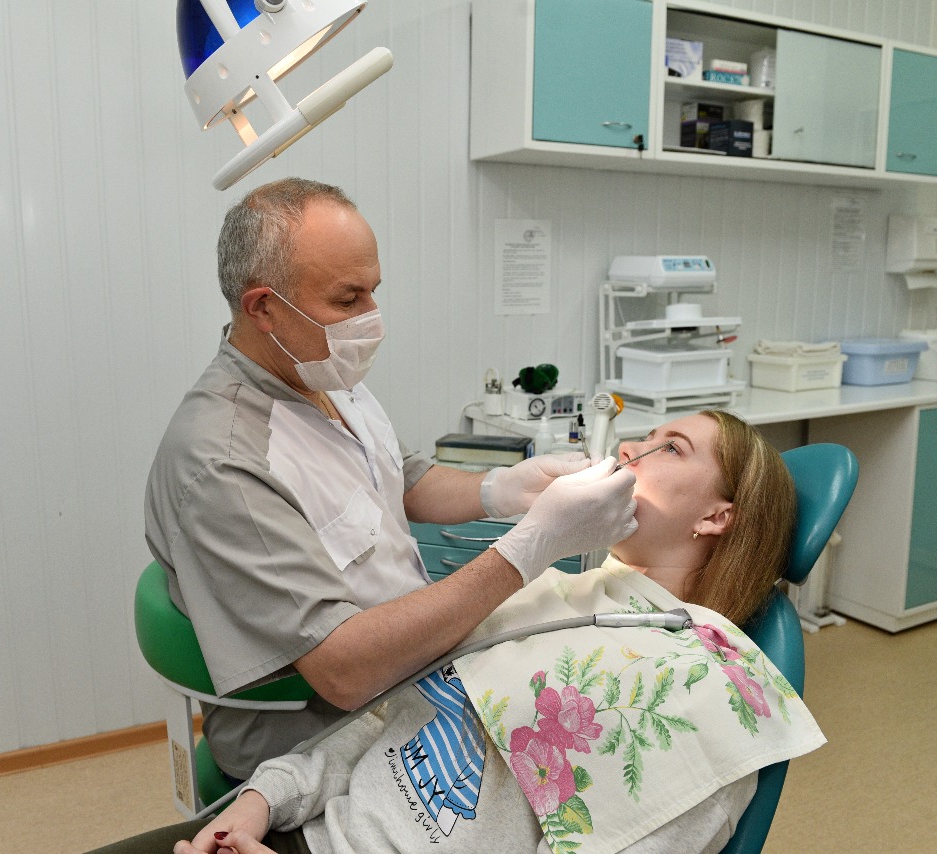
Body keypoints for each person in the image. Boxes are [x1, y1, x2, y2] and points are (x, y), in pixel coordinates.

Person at [99, 410, 811, 854]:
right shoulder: (554, 595)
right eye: (645, 435)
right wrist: (261, 801)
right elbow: (383, 721)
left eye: (671, 448)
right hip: (298, 829)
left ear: (716, 517)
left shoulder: (711, 700)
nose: (631, 447)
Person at [144, 177, 638, 785]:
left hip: (411, 671)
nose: (371, 319)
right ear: (264, 308)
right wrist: (530, 546)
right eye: (348, 299)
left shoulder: (318, 370)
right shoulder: (224, 464)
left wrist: (504, 488)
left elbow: (400, 478)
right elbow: (343, 671)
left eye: (373, 292)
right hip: (320, 734)